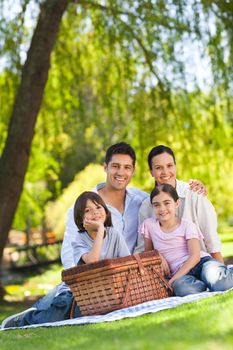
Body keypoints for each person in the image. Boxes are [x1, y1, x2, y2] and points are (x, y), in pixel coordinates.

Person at [1, 192, 130, 329]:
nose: (95, 212)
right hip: (75, 292)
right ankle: (24, 319)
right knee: (54, 319)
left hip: (104, 292)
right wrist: (99, 230)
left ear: (106, 211)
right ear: (81, 219)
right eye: (88, 210)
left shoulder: (114, 235)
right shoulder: (78, 240)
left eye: (98, 207)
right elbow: (93, 261)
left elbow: (127, 263)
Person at [140, 184, 233, 297]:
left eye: (167, 203)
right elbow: (147, 254)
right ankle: (206, 283)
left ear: (177, 203)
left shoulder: (187, 225)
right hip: (180, 274)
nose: (162, 209)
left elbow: (195, 256)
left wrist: (172, 280)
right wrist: (157, 255)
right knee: (183, 289)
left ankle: (217, 277)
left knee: (223, 283)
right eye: (156, 205)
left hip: (201, 264)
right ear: (152, 207)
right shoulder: (149, 225)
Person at [139, 145, 223, 263]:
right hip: (171, 272)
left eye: (169, 166)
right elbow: (144, 249)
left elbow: (211, 238)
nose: (165, 172)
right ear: (151, 172)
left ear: (175, 166)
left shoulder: (194, 194)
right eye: (158, 168)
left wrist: (221, 273)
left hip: (202, 264)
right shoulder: (146, 207)